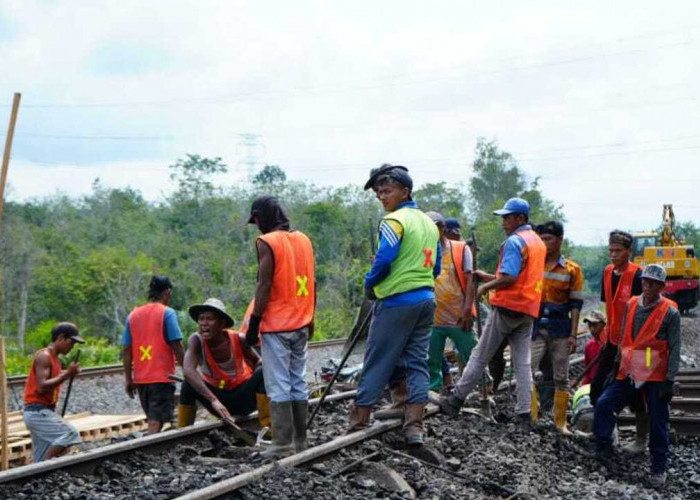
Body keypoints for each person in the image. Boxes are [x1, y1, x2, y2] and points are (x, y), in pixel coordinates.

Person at [348, 164, 440, 446]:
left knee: (376, 360)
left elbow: (384, 259)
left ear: (405, 191)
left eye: (386, 191)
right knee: (417, 363)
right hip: (426, 300)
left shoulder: (394, 222)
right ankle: (414, 427)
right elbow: (435, 267)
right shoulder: (429, 223)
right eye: (378, 192)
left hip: (397, 301)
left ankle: (358, 422)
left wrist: (370, 283)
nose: (381, 197)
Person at [439, 197, 546, 428]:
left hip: (507, 308)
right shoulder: (537, 242)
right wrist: (487, 276)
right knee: (523, 363)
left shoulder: (515, 242)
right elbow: (521, 276)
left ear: (521, 218)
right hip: (527, 309)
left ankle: (456, 399)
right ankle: (524, 414)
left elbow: (509, 277)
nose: (503, 222)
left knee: (480, 355)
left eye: (507, 217)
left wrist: (485, 287)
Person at [593, 264, 681, 488]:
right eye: (644, 281)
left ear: (661, 286)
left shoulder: (670, 311)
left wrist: (669, 380)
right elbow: (623, 337)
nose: (647, 285)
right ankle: (603, 448)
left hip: (655, 374)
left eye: (652, 283)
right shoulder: (632, 304)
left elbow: (674, 347)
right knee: (604, 404)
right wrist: (615, 366)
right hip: (629, 370)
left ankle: (658, 469)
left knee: (659, 422)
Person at [244, 195, 315, 456]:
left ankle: (282, 443)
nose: (257, 227)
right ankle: (300, 441)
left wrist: (253, 324)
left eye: (257, 221)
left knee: (278, 383)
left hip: (276, 325)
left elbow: (264, 285)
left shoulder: (267, 242)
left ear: (262, 217)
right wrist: (312, 318)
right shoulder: (304, 240)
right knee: (298, 380)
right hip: (301, 322)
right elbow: (311, 281)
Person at [589, 231, 647, 452]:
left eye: (618, 251)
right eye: (610, 250)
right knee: (597, 387)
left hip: (635, 345)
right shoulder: (607, 272)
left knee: (637, 392)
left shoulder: (638, 275)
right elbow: (609, 307)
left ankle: (641, 439)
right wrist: (606, 338)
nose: (613, 255)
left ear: (628, 251)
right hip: (613, 342)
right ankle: (605, 432)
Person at [178, 298, 269, 430]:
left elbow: (258, 362)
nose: (204, 323)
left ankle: (268, 429)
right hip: (219, 401)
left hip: (242, 398)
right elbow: (188, 371)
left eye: (209, 319)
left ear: (222, 323)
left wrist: (258, 381)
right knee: (188, 384)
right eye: (201, 319)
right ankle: (183, 431)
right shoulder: (196, 340)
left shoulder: (239, 339)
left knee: (264, 371)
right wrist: (213, 400)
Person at [530, 221, 584, 435]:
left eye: (548, 239)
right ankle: (532, 417)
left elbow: (576, 305)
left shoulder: (572, 269)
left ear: (560, 240)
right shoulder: (534, 264)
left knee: (561, 376)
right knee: (530, 371)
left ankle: (560, 421)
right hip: (536, 328)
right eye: (541, 239)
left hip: (560, 330)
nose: (544, 243)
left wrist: (573, 334)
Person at [122, 276, 185, 434]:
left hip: (141, 380)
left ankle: (151, 450)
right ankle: (150, 453)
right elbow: (177, 345)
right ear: (167, 292)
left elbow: (127, 350)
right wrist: (188, 372)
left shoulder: (133, 315)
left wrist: (129, 379)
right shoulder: (167, 313)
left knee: (153, 418)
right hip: (162, 377)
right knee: (157, 422)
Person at [425, 211, 477, 393]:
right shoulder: (423, 250)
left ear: (442, 228)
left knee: (471, 352)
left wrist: (467, 309)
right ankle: (435, 391)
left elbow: (470, 280)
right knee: (432, 358)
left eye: (436, 227)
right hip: (433, 315)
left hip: (458, 314)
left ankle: (481, 387)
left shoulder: (460, 248)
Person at [23, 322, 84, 462]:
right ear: (61, 338)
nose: (72, 347)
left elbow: (53, 377)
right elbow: (42, 386)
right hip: (37, 412)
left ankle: (38, 475)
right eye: (71, 342)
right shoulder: (44, 356)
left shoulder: (56, 360)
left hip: (43, 411)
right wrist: (67, 374)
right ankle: (46, 468)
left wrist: (68, 373)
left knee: (40, 456)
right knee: (70, 434)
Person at [581, 311, 606, 386]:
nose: (592, 328)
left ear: (603, 325)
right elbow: (587, 368)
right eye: (590, 325)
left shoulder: (609, 343)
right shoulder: (589, 345)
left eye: (595, 325)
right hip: (594, 381)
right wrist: (584, 385)